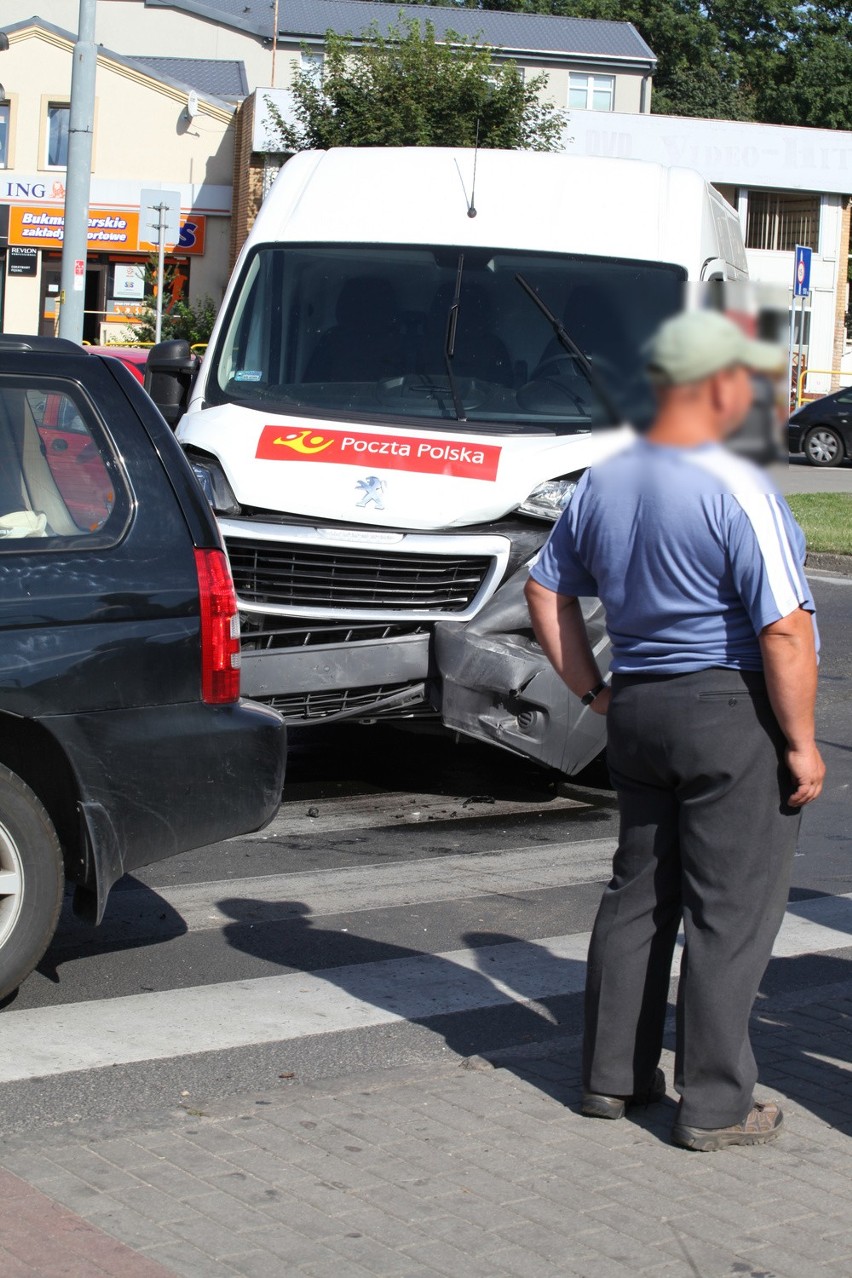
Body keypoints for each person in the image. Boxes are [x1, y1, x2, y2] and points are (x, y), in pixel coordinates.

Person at [524, 309, 825, 1152]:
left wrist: (589, 688)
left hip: (640, 709)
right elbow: (785, 630)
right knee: (730, 912)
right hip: (729, 714)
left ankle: (611, 1079)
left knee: (638, 895)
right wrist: (800, 743)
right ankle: (716, 1105)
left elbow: (545, 590)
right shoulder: (736, 483)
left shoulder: (606, 479)